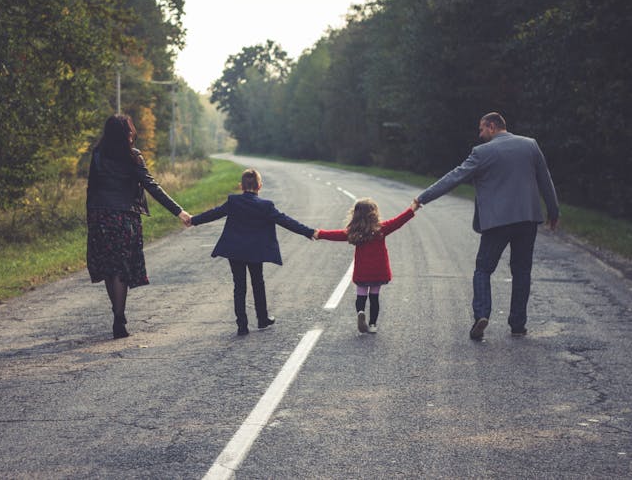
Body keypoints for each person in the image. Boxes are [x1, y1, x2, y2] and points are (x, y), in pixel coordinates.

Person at [415, 112, 559, 340]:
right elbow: (545, 179)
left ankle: (481, 315)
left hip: (497, 222)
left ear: (492, 126)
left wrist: (424, 197)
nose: (480, 134)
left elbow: (455, 177)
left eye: (481, 129)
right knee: (521, 271)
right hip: (527, 219)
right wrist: (553, 210)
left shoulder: (482, 153)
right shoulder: (530, 145)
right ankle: (518, 325)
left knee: (483, 269)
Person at [86, 114, 191, 339]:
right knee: (121, 267)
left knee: (108, 267)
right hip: (124, 218)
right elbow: (152, 186)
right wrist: (178, 211)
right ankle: (119, 317)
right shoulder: (132, 157)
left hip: (100, 216)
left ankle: (117, 313)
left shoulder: (97, 155)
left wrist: (91, 218)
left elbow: (91, 188)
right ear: (127, 133)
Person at [189, 168, 315, 336]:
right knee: (258, 283)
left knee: (239, 286)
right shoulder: (266, 206)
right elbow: (286, 221)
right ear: (260, 186)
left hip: (235, 251)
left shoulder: (233, 201)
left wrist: (193, 220)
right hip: (255, 252)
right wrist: (308, 231)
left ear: (241, 186)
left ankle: (242, 326)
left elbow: (215, 213)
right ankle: (262, 319)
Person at [314, 199, 418, 333]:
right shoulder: (381, 229)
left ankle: (361, 312)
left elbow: (336, 235)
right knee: (374, 297)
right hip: (379, 271)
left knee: (361, 295)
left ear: (355, 215)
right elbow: (399, 221)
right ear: (374, 214)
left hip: (362, 271)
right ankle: (373, 324)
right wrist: (412, 208)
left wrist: (320, 234)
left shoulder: (354, 232)